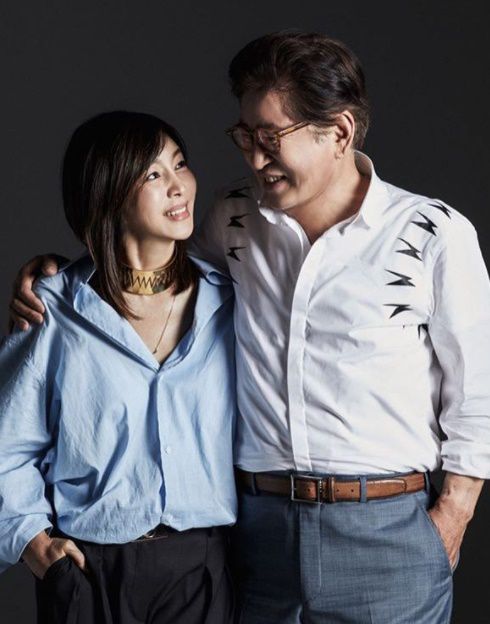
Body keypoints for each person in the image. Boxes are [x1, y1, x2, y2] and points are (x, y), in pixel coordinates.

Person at [9, 31, 490, 623]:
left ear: (339, 132)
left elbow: (477, 392)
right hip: (259, 536)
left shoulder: (432, 234)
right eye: (245, 137)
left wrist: (452, 516)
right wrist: (57, 272)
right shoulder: (232, 218)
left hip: (388, 531)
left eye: (270, 139)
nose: (254, 159)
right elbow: (142, 269)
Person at [1, 110, 237, 624]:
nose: (178, 186)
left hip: (201, 570)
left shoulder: (228, 302)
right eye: (153, 174)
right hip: (88, 571)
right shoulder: (52, 308)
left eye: (180, 164)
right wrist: (32, 542)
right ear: (107, 193)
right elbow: (7, 445)